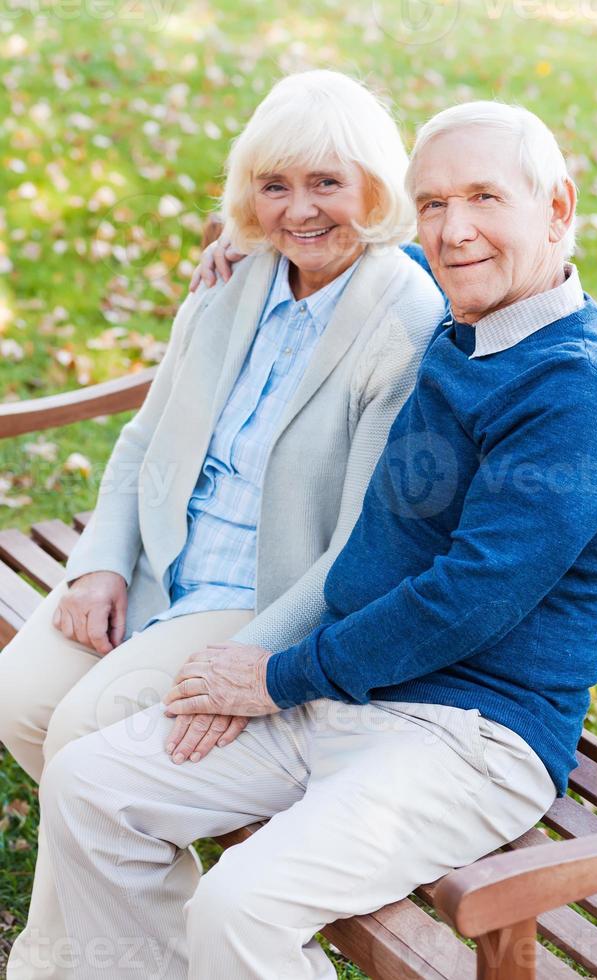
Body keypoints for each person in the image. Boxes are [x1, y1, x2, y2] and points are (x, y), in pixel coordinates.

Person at [34, 99, 597, 980]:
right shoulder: (471, 309)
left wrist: (277, 675)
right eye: (433, 204)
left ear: (557, 210)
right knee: (92, 787)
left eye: (484, 198)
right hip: (357, 683)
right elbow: (366, 243)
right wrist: (254, 240)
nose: (454, 230)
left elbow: (465, 601)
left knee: (239, 909)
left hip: (472, 734)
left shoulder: (577, 393)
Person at [0, 70, 445, 979]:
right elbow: (144, 438)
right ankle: (147, 933)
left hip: (258, 595)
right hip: (165, 565)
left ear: (375, 188)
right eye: (275, 185)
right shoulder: (234, 279)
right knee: (19, 698)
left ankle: (74, 962)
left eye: (328, 183)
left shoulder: (401, 320)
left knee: (87, 728)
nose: (299, 210)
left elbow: (361, 544)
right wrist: (99, 562)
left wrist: (257, 662)